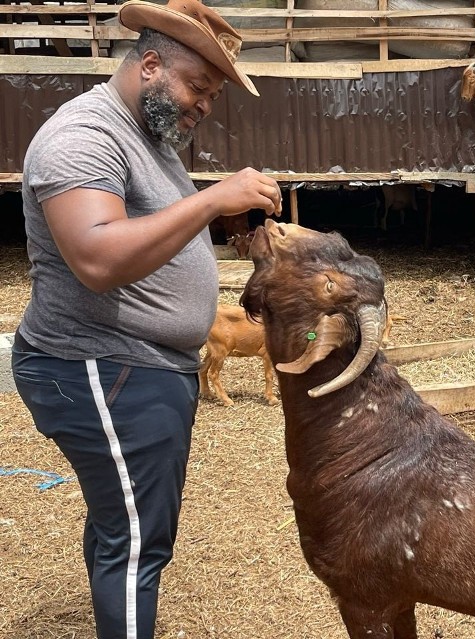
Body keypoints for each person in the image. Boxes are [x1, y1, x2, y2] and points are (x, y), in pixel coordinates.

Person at [11, 1, 282, 637]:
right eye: (198, 87)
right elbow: (99, 257)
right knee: (136, 544)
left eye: (212, 94)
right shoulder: (83, 137)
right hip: (99, 367)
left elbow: (147, 230)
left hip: (139, 367)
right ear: (152, 64)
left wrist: (214, 219)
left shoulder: (146, 136)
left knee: (124, 525)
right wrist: (216, 197)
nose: (205, 106)